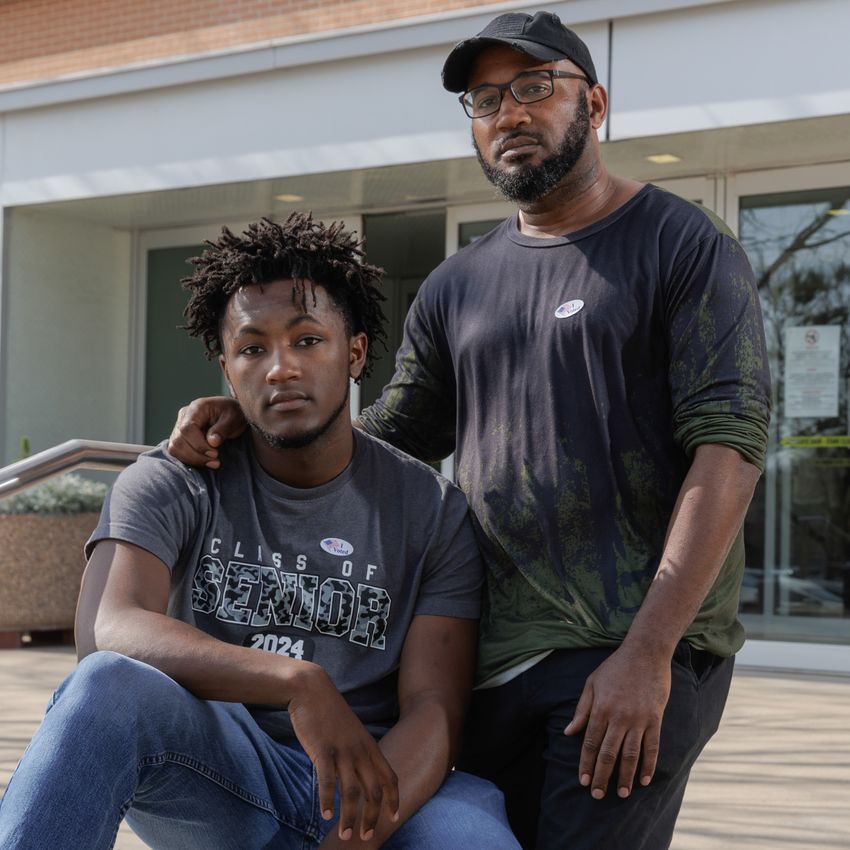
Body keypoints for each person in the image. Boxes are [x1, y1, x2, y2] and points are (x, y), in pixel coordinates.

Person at [166, 11, 772, 850]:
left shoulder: (682, 246)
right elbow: (386, 441)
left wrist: (649, 654)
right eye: (486, 100)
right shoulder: (458, 285)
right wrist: (261, 417)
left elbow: (730, 449)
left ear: (593, 103)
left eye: (534, 87)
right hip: (488, 660)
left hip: (623, 655)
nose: (509, 114)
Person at [0, 214, 521, 850]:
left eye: (307, 341)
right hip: (225, 774)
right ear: (227, 368)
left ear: (354, 352)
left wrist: (355, 835)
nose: (280, 369)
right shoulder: (176, 479)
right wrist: (295, 681)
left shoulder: (430, 508)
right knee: (103, 688)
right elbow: (108, 630)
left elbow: (434, 711)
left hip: (382, 777)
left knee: (473, 840)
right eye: (253, 348)